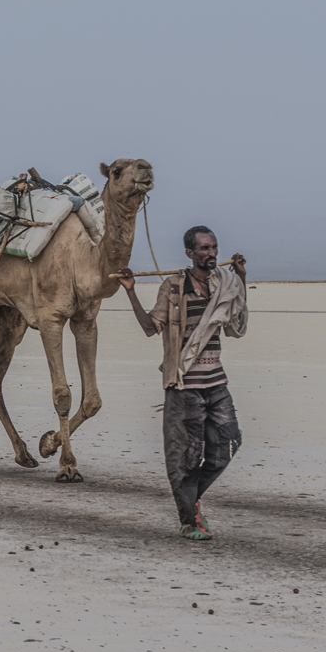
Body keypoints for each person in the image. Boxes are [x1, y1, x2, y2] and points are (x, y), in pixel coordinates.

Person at [117, 228, 248, 540]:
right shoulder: (173, 287)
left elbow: (237, 325)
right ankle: (189, 520)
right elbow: (151, 327)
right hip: (183, 384)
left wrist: (241, 277)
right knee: (186, 456)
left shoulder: (223, 283)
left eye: (214, 247)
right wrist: (130, 290)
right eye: (203, 248)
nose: (211, 253)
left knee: (228, 444)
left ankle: (190, 497)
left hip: (216, 382)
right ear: (189, 253)